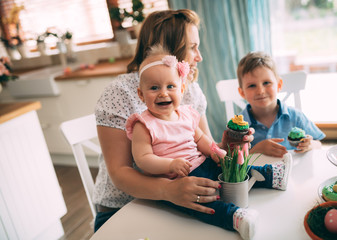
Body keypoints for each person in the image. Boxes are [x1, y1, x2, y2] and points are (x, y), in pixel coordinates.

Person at [93, 9, 254, 232]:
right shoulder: (120, 92)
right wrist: (168, 190)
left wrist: (228, 144)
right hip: (123, 209)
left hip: (177, 203)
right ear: (168, 50)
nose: (199, 57)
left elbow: (203, 149)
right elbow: (120, 173)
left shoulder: (190, 90)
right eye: (192, 47)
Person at [125, 47, 292, 240]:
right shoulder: (143, 124)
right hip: (179, 180)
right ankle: (235, 218)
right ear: (141, 94)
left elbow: (201, 139)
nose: (163, 93)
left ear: (181, 89)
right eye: (154, 88)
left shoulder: (186, 114)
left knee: (235, 170)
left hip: (204, 163)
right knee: (203, 203)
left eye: (170, 86)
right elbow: (143, 159)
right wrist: (170, 164)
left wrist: (216, 152)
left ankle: (272, 176)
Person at [237, 51, 325, 158]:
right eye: (252, 85)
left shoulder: (296, 116)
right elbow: (234, 160)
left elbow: (319, 144)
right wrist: (257, 150)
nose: (260, 91)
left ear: (279, 85)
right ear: (242, 92)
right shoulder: (239, 127)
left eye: (266, 83)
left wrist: (310, 145)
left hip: (294, 172)